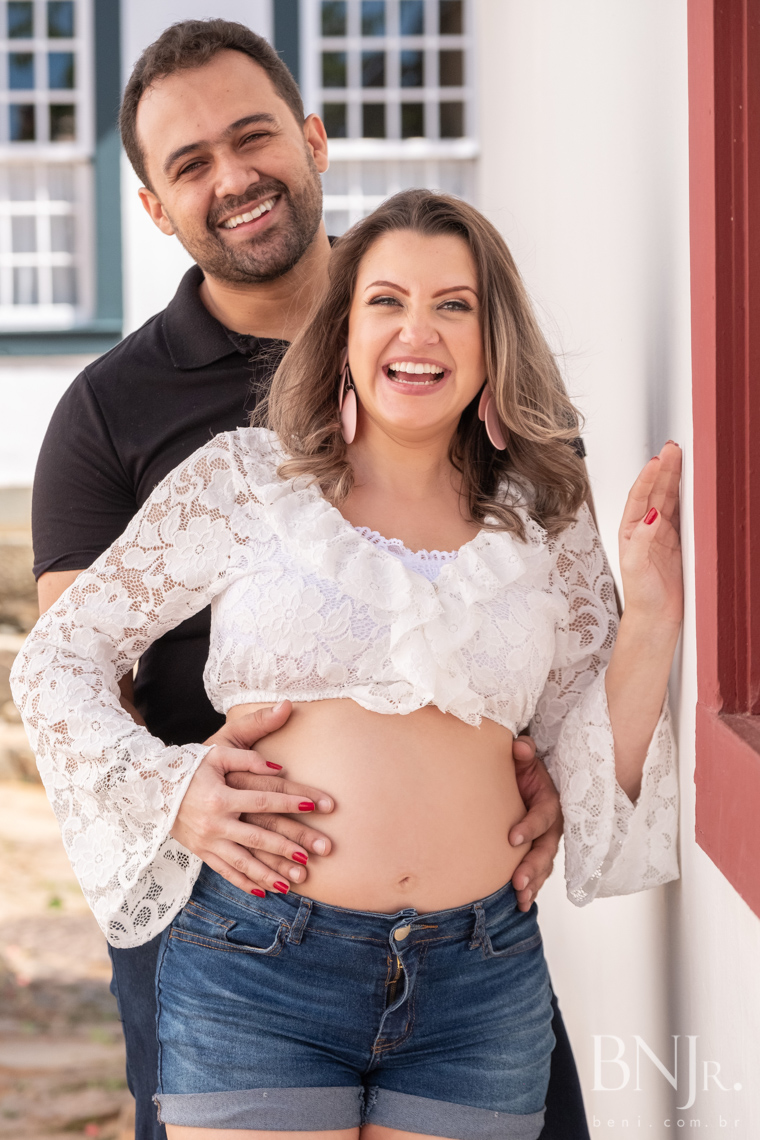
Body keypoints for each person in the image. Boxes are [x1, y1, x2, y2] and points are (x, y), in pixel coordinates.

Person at [14, 188, 681, 1140]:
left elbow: (587, 741)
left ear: (493, 339)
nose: (419, 330)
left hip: (480, 979)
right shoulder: (243, 481)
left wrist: (651, 618)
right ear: (344, 332)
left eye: (454, 304)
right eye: (387, 301)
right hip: (258, 969)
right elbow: (58, 659)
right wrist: (172, 789)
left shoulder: (541, 514)